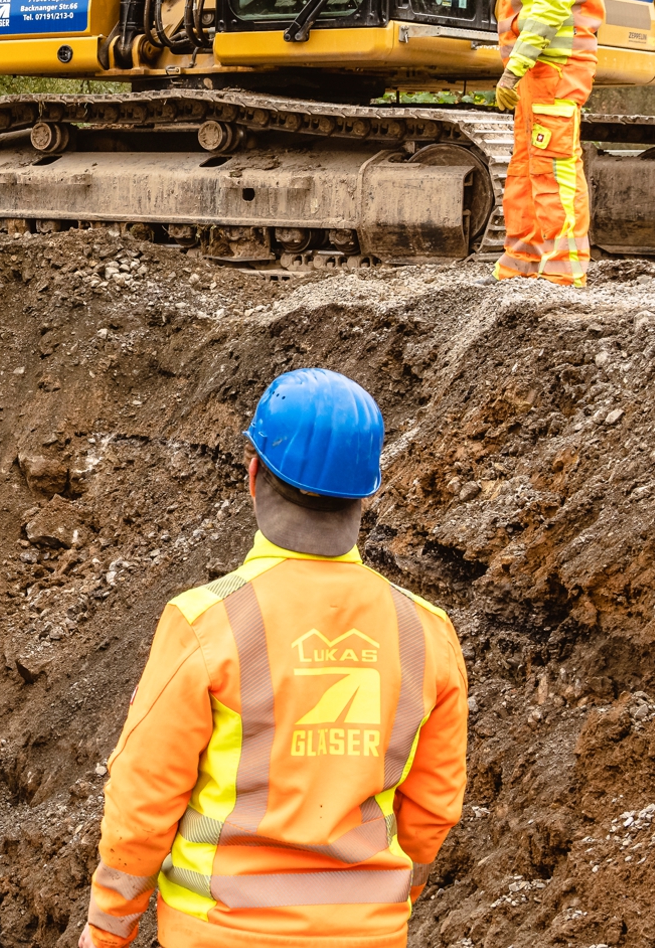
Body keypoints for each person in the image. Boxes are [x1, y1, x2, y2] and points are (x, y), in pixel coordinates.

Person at [80, 369, 469, 948]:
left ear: (253, 473)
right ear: (366, 493)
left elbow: (144, 802)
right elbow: (433, 808)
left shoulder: (205, 623)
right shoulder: (427, 631)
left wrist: (107, 932)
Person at [490, 0, 604, 288]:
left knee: (553, 171)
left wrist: (514, 68)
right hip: (537, 74)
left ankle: (563, 274)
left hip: (553, 71)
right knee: (525, 171)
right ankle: (521, 266)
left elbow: (549, 8)